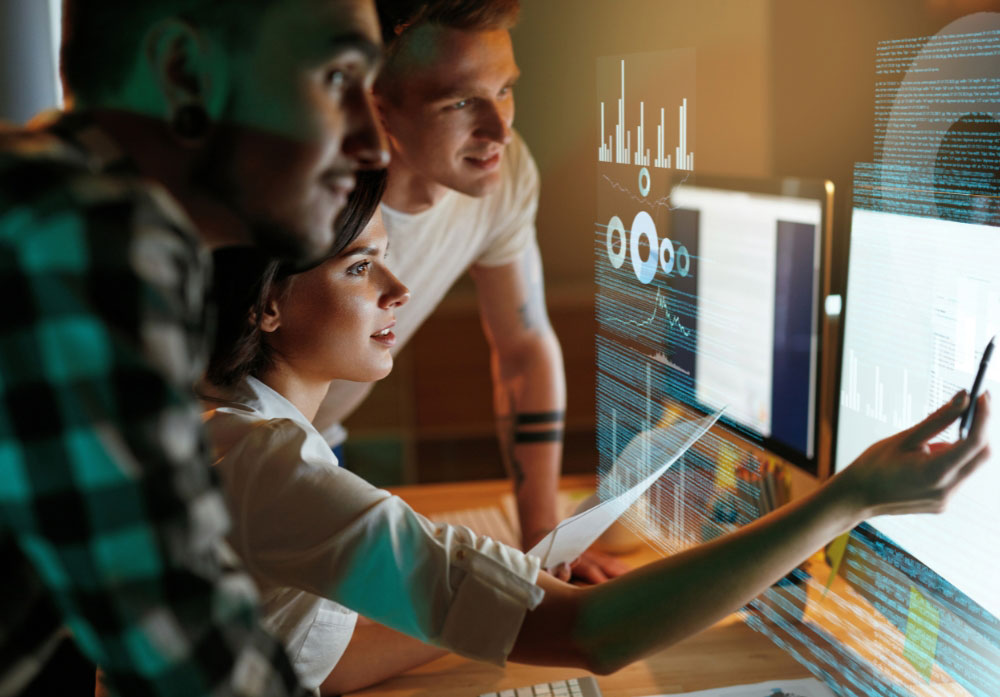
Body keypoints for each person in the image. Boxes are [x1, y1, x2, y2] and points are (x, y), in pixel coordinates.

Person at [201, 168, 991, 693]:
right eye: (358, 267)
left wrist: (505, 593)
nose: (400, 288)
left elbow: (316, 660)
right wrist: (849, 497)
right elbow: (598, 637)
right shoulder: (273, 468)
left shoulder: (244, 437)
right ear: (267, 304)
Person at [0, 0, 387, 694]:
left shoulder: (60, 198)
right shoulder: (92, 234)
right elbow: (184, 656)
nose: (373, 142)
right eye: (337, 78)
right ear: (183, 73)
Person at [310, 0, 628, 584]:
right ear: (377, 106)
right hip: (232, 452)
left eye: (505, 90)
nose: (499, 129)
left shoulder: (503, 174)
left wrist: (544, 543)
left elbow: (524, 346)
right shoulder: (311, 194)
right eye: (460, 102)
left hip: (322, 445)